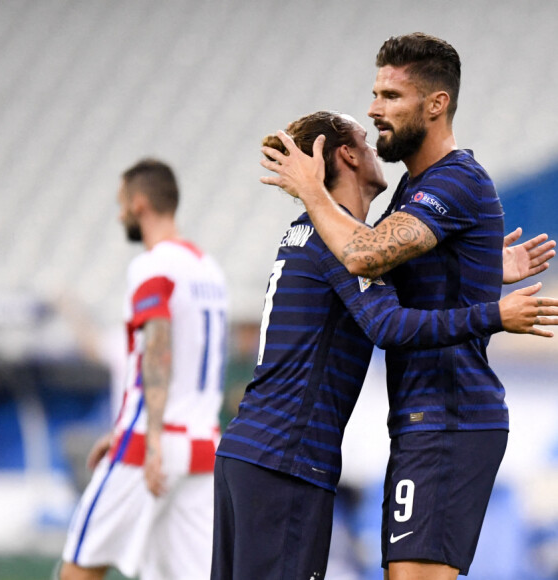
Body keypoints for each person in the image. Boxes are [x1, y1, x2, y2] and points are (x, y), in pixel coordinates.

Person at [212, 111, 558, 580]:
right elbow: (390, 324)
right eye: (365, 142)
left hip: (255, 453)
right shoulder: (341, 243)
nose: (377, 148)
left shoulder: (312, 232)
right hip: (285, 460)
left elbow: (383, 277)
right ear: (347, 155)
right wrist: (493, 314)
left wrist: (479, 269)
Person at [58, 159, 228, 580]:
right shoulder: (209, 269)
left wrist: (149, 439)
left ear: (138, 204)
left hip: (149, 448)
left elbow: (159, 347)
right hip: (204, 447)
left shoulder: (153, 265)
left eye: (120, 204)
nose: (119, 215)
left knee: (80, 567)